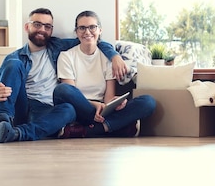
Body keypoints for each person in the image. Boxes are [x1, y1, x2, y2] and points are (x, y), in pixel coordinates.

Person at [0, 7, 127, 143]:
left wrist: (115, 56)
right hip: (23, 105)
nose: (42, 29)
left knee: (69, 110)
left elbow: (92, 40)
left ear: (51, 30)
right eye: (37, 24)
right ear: (27, 27)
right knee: (14, 64)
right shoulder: (15, 57)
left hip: (48, 109)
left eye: (47, 26)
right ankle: (2, 121)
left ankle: (17, 133)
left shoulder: (58, 47)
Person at [53, 10, 156, 138]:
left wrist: (115, 103)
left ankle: (93, 130)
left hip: (103, 110)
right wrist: (95, 105)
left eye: (92, 27)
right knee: (62, 90)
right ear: (76, 32)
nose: (87, 32)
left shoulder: (108, 58)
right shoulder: (66, 56)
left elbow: (108, 98)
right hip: (82, 108)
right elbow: (69, 91)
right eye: (82, 28)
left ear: (100, 30)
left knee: (148, 102)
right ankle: (115, 127)